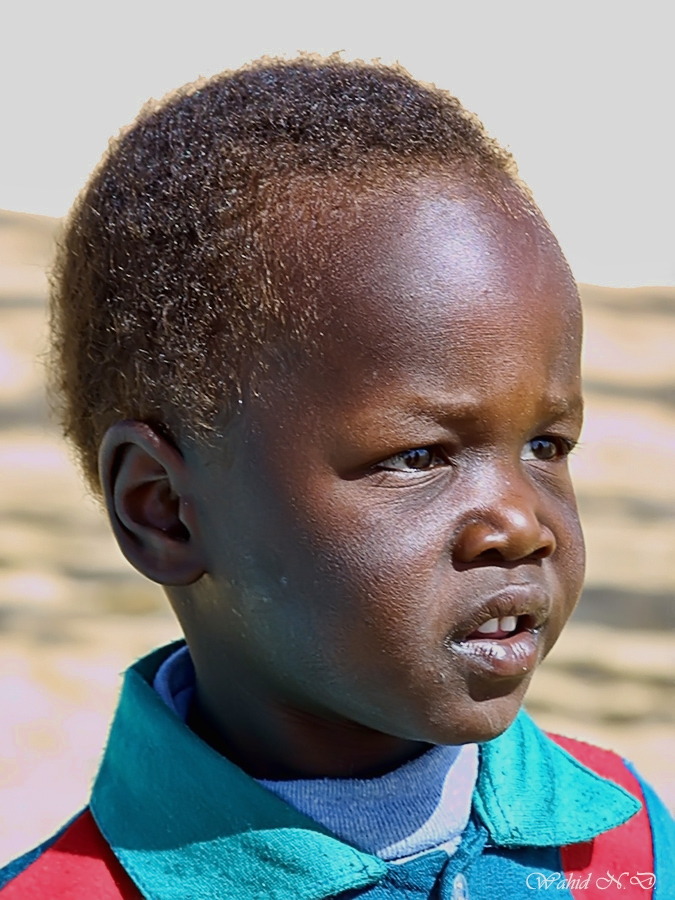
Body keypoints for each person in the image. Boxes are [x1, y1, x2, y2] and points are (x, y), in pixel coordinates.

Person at [1, 55, 673, 899]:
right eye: (420, 457)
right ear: (164, 511)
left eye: (545, 445)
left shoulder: (623, 844)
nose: (521, 523)